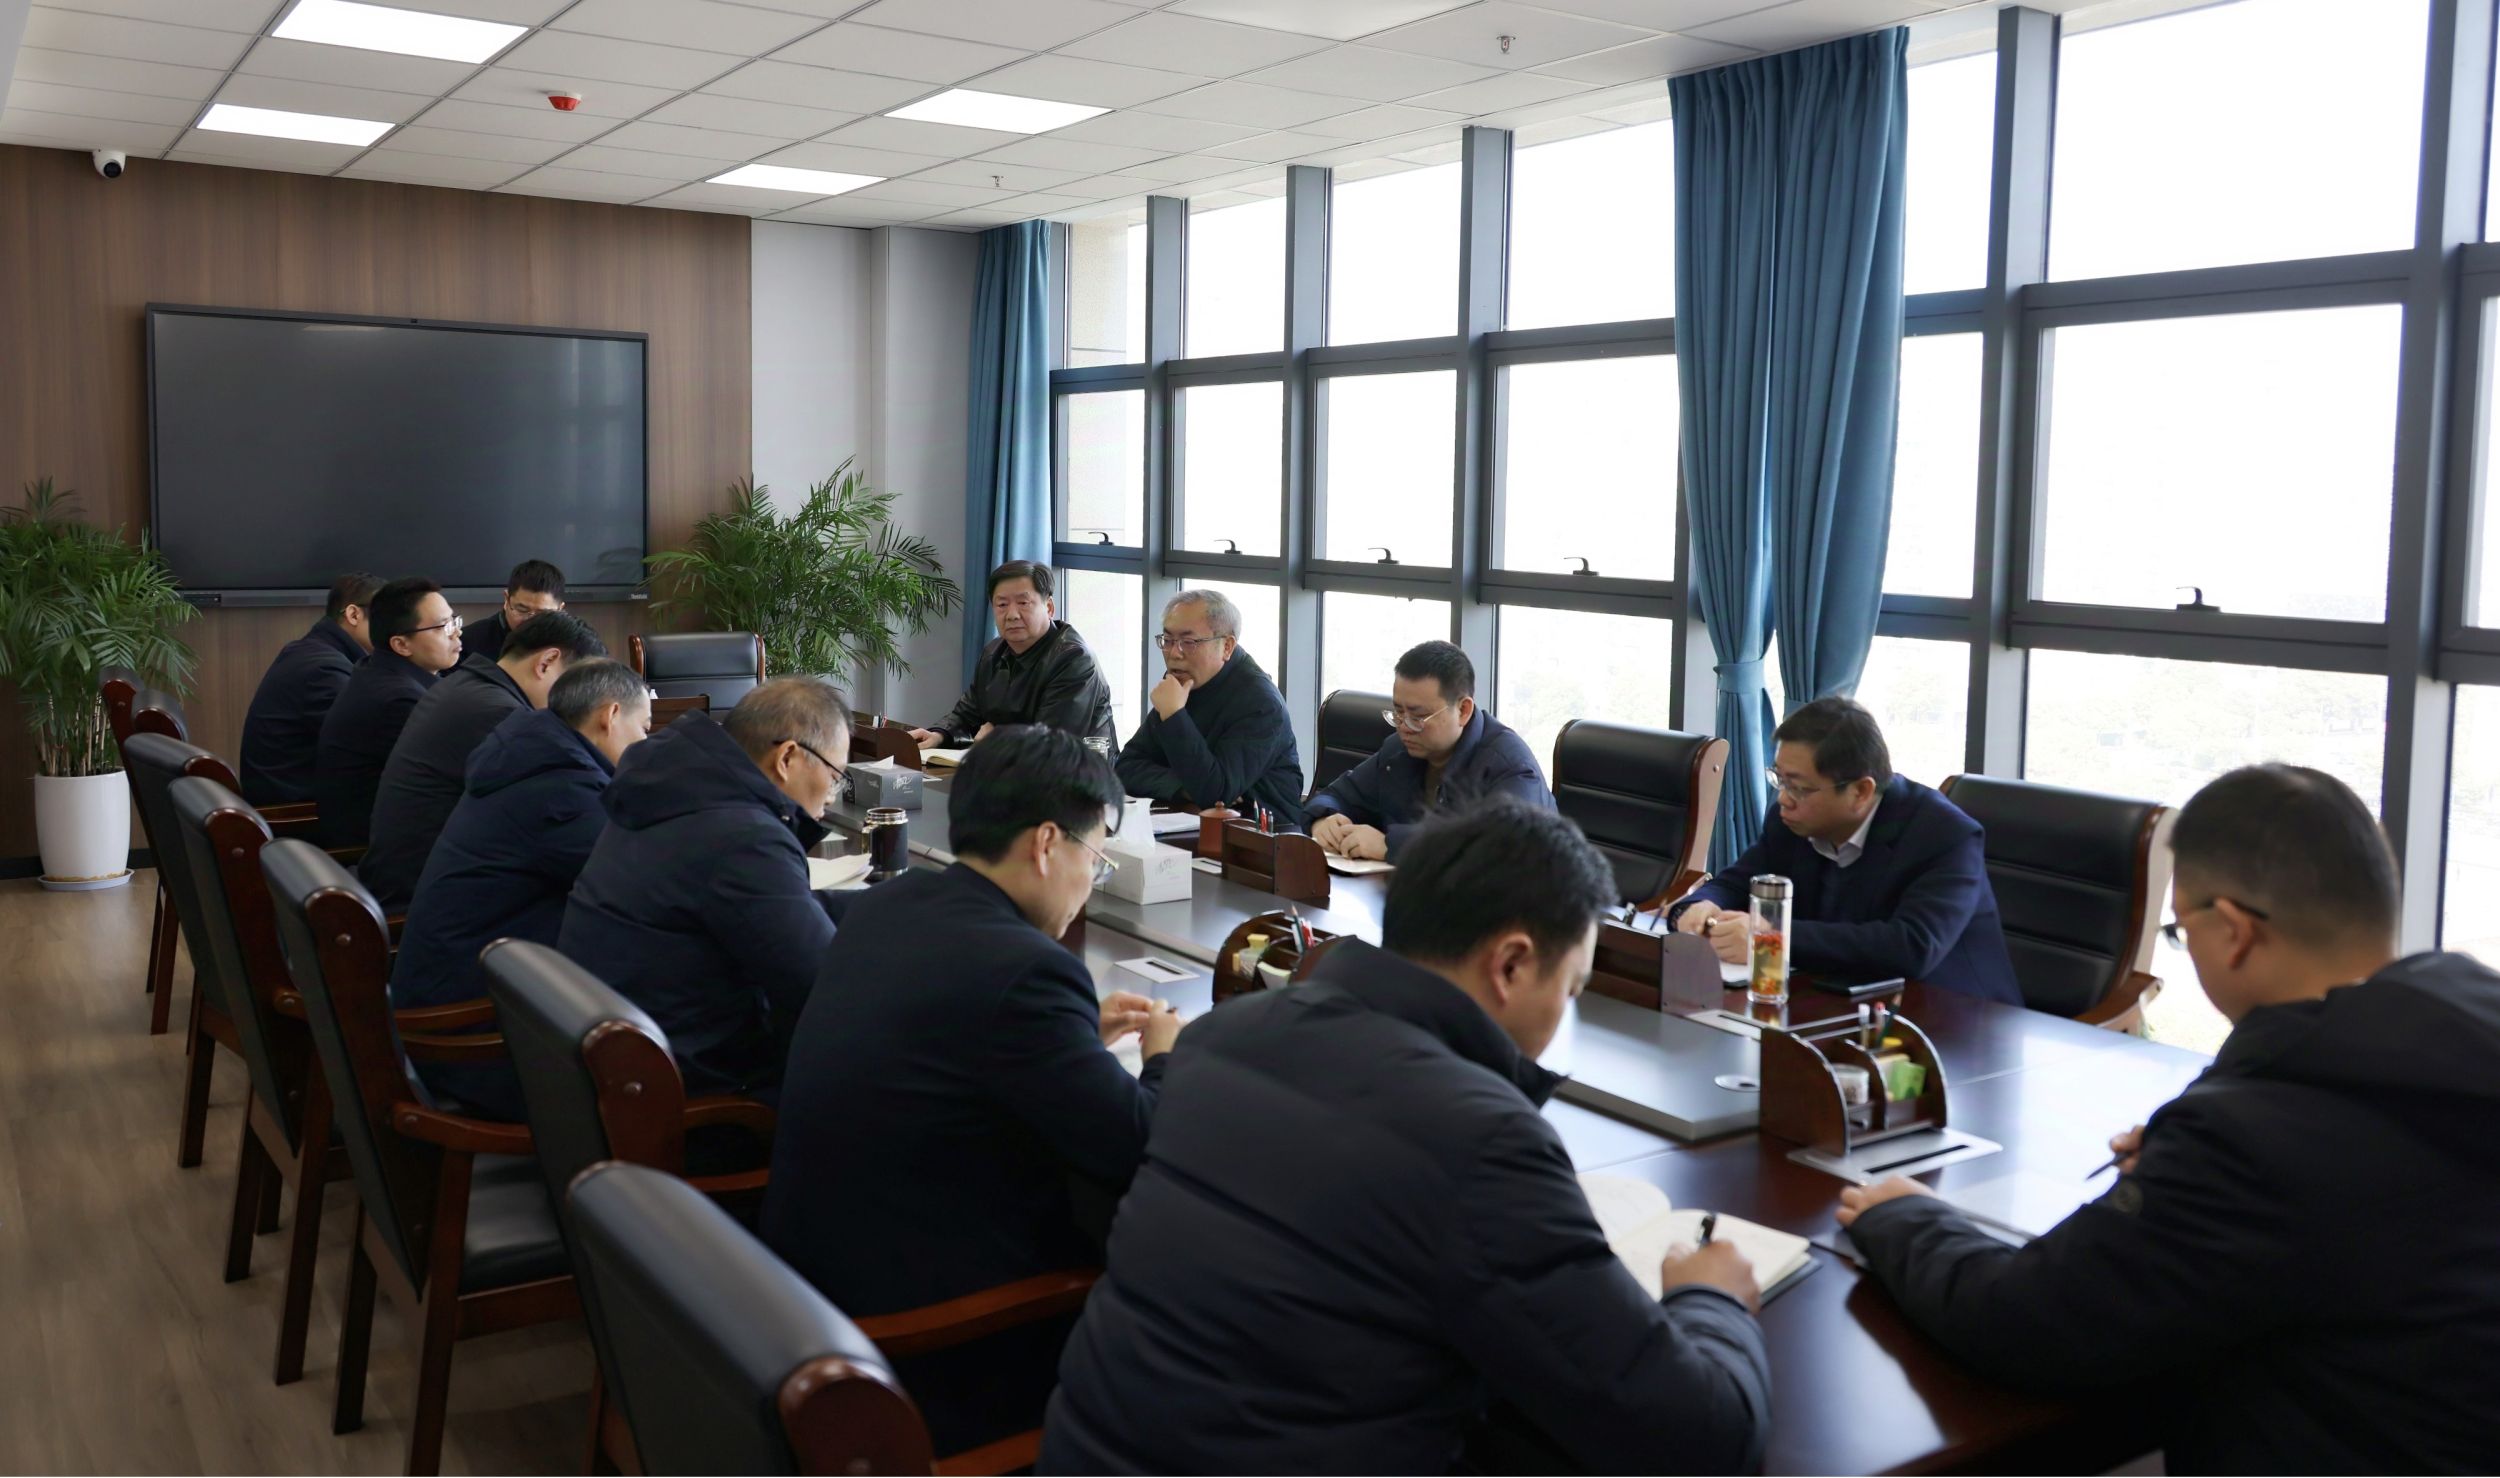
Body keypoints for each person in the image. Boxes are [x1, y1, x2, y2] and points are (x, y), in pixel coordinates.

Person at [1044, 802, 1772, 1474]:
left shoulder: (1222, 1037)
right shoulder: (1479, 1141)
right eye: (1571, 988)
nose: (1562, 1018)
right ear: (1511, 964)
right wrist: (1711, 1301)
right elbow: (1702, 1437)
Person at [1837, 764, 2500, 1473]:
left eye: (2181, 931)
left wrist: (1904, 1217)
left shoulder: (2247, 1140)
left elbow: (2029, 1325)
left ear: (2234, 932)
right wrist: (2191, 1154)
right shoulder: (2465, 1024)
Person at [766, 725, 1181, 1454]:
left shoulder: (890, 903)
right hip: (928, 1347)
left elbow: (959, 1043)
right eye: (1096, 857)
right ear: (1047, 844)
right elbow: (1139, 1146)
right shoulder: (1026, 971)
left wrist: (1074, 1036)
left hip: (808, 1297)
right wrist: (1163, 1059)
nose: (1091, 879)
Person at [558, 676, 849, 1099]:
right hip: (697, 1091)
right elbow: (824, 988)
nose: (833, 795)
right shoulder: (744, 838)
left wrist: (881, 907)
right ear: (787, 757)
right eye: (836, 775)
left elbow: (762, 908)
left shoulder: (669, 793)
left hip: (624, 1067)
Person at [391, 660, 652, 1120]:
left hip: (458, 1004)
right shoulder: (560, 789)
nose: (645, 744)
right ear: (611, 716)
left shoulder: (533, 754)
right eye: (644, 728)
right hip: (475, 1041)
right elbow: (642, 887)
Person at [1667, 696, 2018, 1003]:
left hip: (1956, 1019)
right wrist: (1699, 907)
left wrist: (1769, 940)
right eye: (1779, 779)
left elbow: (1911, 946)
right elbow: (1737, 883)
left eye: (1799, 787)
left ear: (1861, 791)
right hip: (1835, 1000)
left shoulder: (1944, 835)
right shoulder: (1791, 820)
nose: (1783, 798)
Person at [357, 610, 606, 910]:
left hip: (407, 877)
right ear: (546, 662)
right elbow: (565, 815)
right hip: (424, 898)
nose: (575, 706)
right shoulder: (503, 716)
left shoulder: (465, 685)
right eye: (576, 688)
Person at [1306, 639, 1551, 862]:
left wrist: (1390, 845)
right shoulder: (1398, 751)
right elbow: (1335, 795)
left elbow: (1502, 850)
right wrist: (1324, 820)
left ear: (1463, 710)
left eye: (1418, 717)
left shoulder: (1509, 766)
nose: (1404, 727)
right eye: (1398, 712)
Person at [1114, 588, 1304, 828]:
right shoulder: (1184, 682)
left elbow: (1216, 794)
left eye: (1189, 642)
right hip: (1189, 825)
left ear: (1227, 646)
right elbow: (1126, 767)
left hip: (1263, 837)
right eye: (1168, 640)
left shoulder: (1261, 704)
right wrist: (1185, 787)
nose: (1174, 653)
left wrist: (1174, 716)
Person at [312, 577, 463, 849]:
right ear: (401, 645)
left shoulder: (377, 669)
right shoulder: (400, 701)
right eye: (443, 627)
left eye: (454, 621)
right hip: (368, 849)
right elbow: (450, 781)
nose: (456, 633)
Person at [908, 560, 1115, 752]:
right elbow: (967, 714)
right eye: (1002, 605)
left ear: (1049, 607)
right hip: (1010, 768)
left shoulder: (1074, 658)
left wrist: (998, 738)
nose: (1012, 615)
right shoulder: (993, 653)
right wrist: (939, 735)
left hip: (1077, 774)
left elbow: (1053, 743)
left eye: (1023, 603)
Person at [239, 572, 381, 806]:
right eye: (386, 616)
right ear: (354, 615)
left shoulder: (313, 650)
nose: (395, 627)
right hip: (294, 810)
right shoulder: (324, 670)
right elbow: (363, 746)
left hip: (289, 794)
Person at [457, 558, 566, 666]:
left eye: (542, 614)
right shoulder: (466, 644)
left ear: (559, 610)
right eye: (522, 610)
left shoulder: (568, 646)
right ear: (506, 599)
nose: (531, 621)